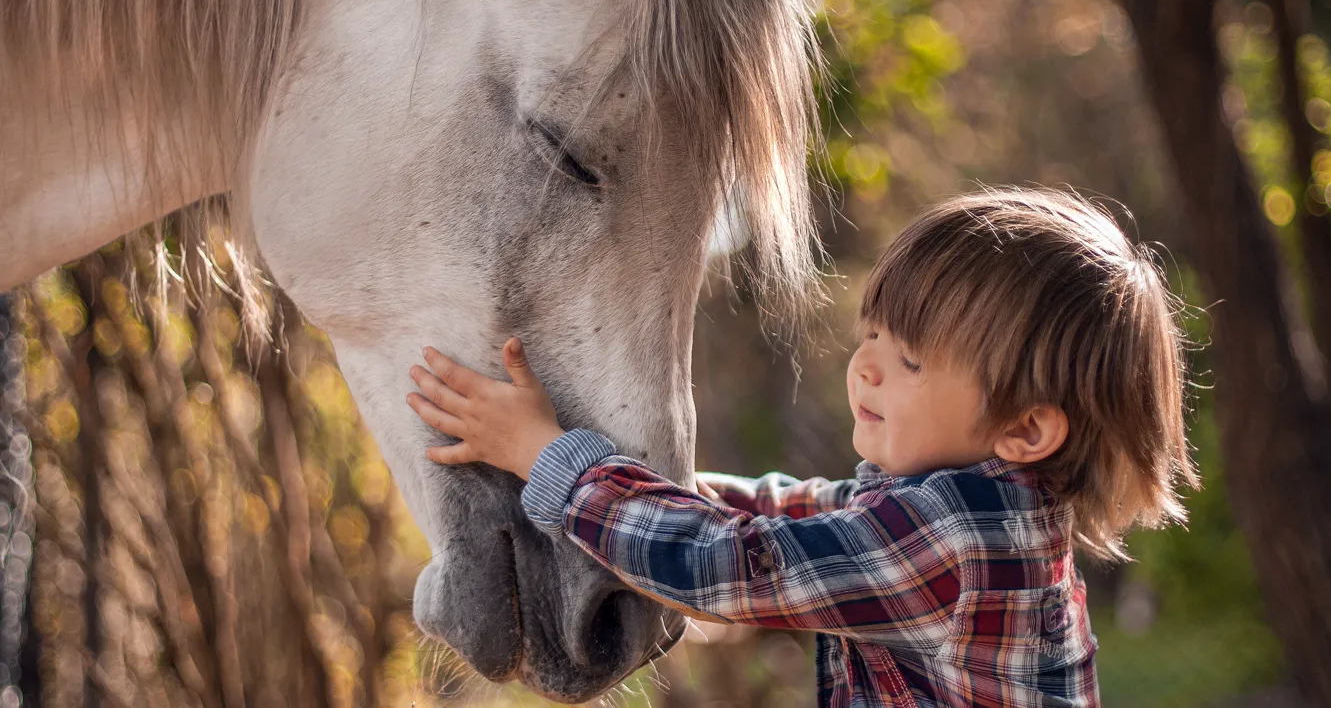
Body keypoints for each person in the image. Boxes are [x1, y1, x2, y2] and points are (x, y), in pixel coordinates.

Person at [405, 187, 1198, 707]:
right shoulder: (975, 508)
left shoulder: (955, 538)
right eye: (874, 333)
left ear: (1027, 428)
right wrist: (660, 482)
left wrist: (549, 460)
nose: (867, 365)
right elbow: (795, 513)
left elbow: (738, 565)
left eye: (911, 359)